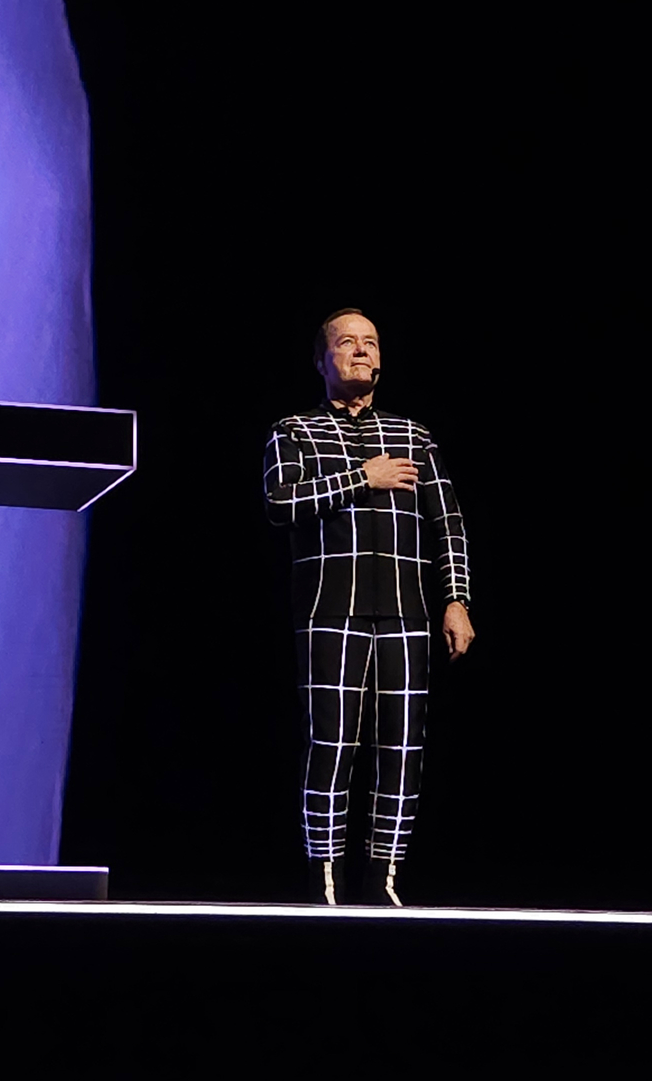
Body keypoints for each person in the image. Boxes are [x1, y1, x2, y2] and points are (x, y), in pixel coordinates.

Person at [263, 309, 475, 906]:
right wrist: (363, 478)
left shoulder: (413, 436)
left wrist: (456, 599)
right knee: (332, 745)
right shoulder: (295, 431)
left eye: (371, 343)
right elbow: (280, 502)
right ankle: (324, 882)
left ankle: (384, 881)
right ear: (321, 360)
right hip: (330, 609)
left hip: (406, 612)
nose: (361, 351)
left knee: (402, 748)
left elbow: (447, 523)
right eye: (347, 342)